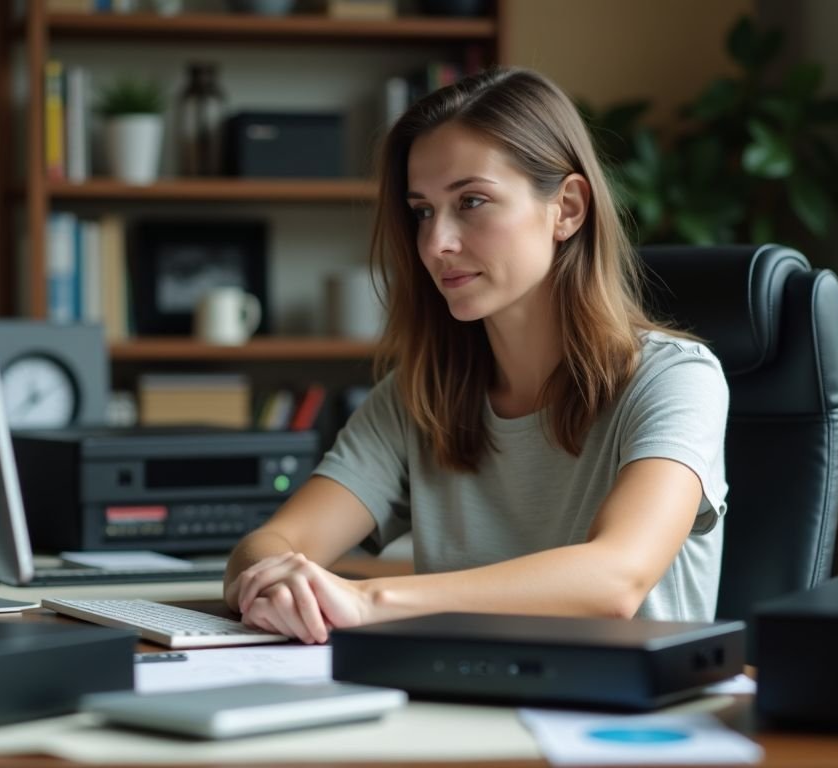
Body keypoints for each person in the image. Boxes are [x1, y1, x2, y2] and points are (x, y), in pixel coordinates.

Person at [223, 67, 729, 644]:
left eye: (472, 201)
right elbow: (267, 546)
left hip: (621, 725)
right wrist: (273, 582)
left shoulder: (675, 380)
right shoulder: (421, 396)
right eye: (422, 211)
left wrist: (368, 599)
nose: (437, 244)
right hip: (456, 701)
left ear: (566, 208)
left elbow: (614, 581)